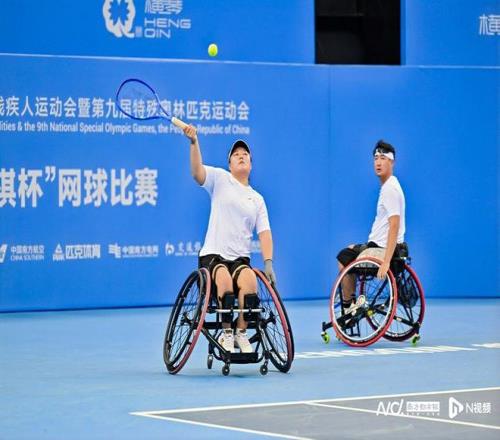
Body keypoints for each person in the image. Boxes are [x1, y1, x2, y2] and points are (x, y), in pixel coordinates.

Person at [183, 125, 276, 354]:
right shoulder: (220, 179)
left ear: (251, 164)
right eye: (236, 154)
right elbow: (197, 173)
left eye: (245, 154)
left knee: (250, 281)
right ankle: (226, 334)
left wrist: (268, 262)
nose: (241, 156)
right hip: (213, 257)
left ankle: (240, 333)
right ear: (230, 164)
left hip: (240, 260)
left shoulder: (257, 199)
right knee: (224, 280)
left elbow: (264, 232)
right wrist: (194, 142)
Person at [336, 140, 406, 311]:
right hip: (380, 246)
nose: (378, 163)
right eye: (376, 158)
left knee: (343, 258)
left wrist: (386, 262)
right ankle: (349, 297)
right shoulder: (391, 185)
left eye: (383, 158)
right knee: (351, 248)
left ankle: (348, 306)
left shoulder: (390, 189)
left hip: (382, 250)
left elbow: (394, 225)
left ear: (392, 162)